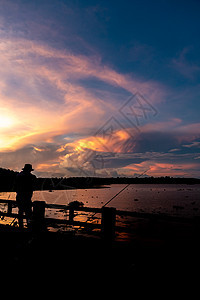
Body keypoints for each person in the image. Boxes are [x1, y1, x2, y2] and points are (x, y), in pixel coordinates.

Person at [15, 164, 36, 229]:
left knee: (21, 211)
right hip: (26, 197)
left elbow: (15, 186)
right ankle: (29, 226)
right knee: (28, 212)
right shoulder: (31, 177)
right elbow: (34, 184)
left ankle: (21, 225)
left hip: (20, 196)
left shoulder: (19, 176)